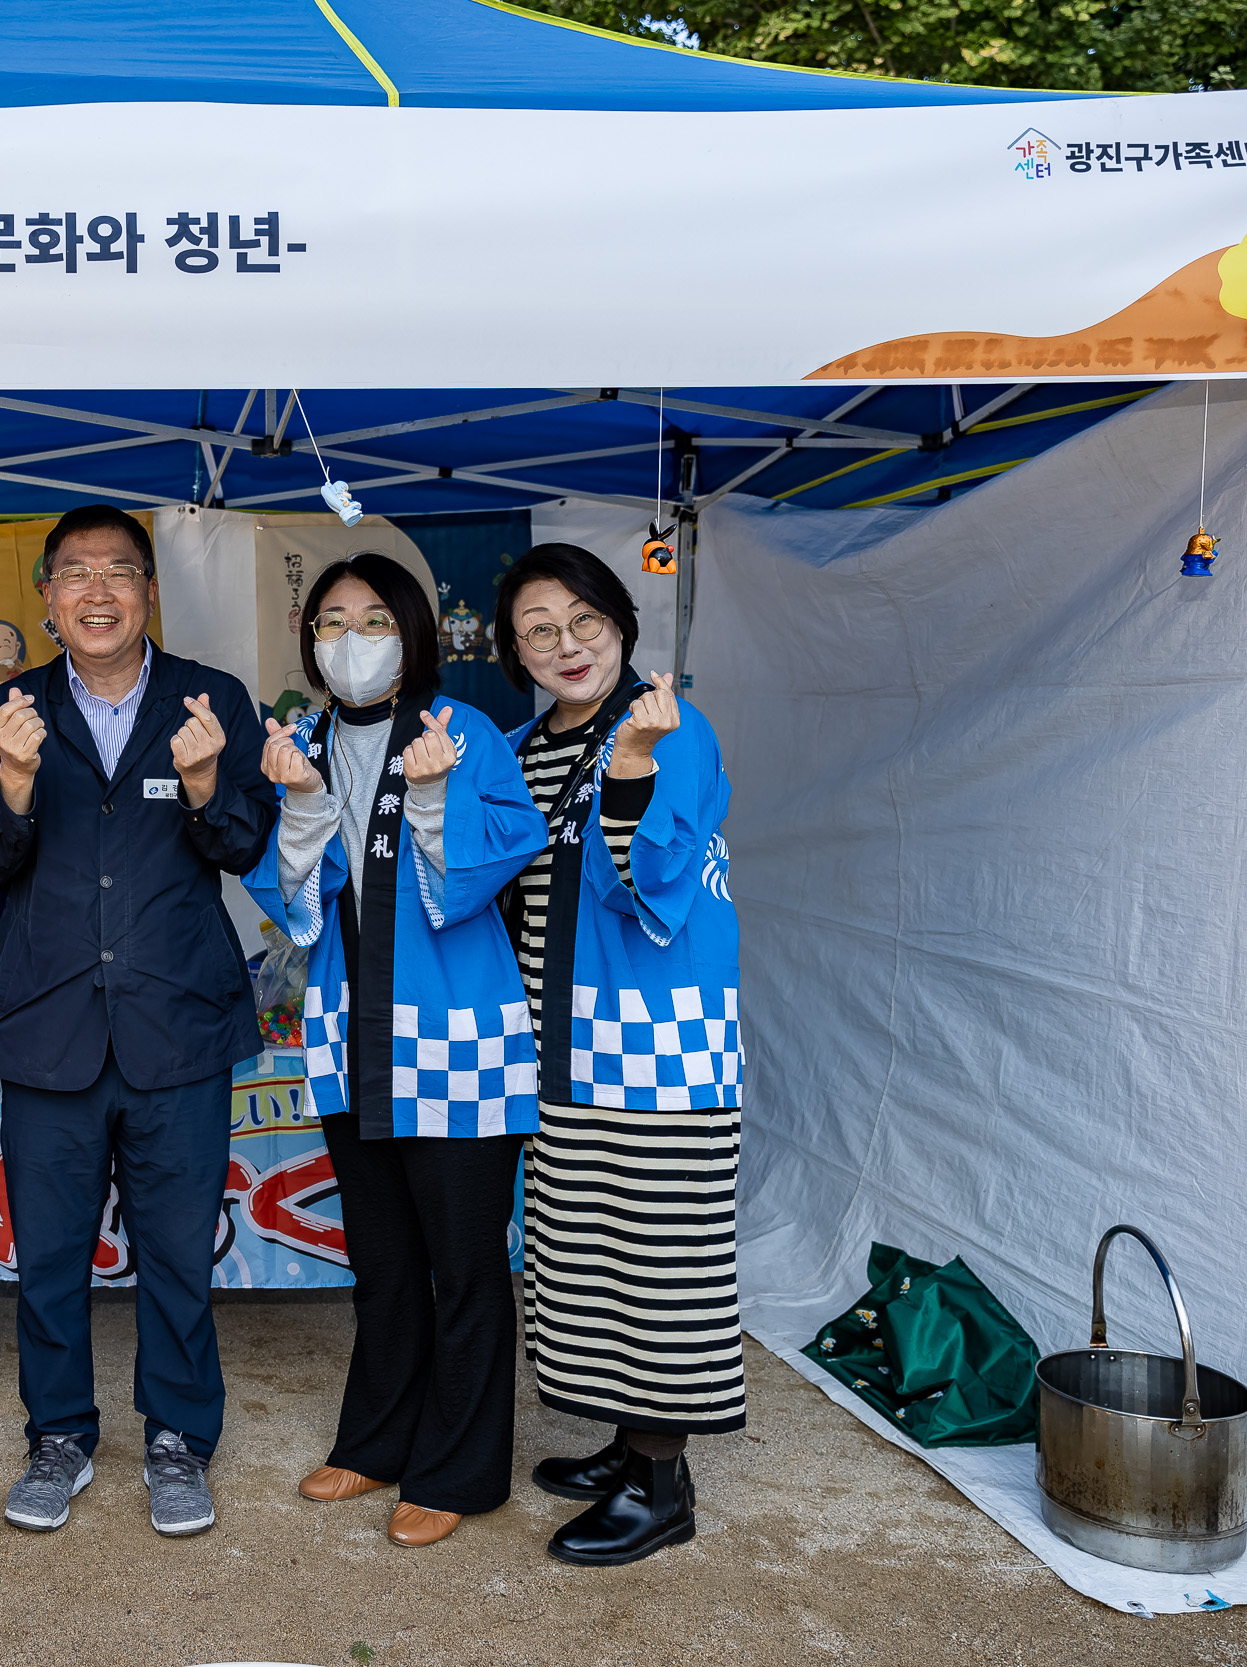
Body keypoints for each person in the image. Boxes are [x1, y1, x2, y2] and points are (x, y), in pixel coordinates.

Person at [0, 504, 276, 1537]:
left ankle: (178, 1438)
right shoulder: (9, 703)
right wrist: (11, 781)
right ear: (48, 599)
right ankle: (57, 1434)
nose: (98, 592)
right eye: (76, 575)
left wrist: (199, 784)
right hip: (50, 1022)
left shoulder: (211, 698)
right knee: (47, 1253)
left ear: (149, 591)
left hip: (175, 1023)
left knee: (178, 1249)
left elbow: (239, 848)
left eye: (120, 572)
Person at [242, 554, 544, 1549]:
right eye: (331, 620)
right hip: (347, 1040)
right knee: (379, 1260)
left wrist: (429, 797)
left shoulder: (468, 737)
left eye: (373, 617)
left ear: (413, 632)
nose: (350, 637)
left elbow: (479, 876)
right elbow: (293, 909)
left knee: (461, 1265)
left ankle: (456, 1467)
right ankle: (374, 1439)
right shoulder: (307, 744)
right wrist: (296, 805)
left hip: (455, 1042)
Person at [491, 543, 745, 1567]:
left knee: (660, 1260)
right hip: (553, 1046)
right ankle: (624, 1442)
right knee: (580, 1250)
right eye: (538, 629)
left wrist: (632, 770)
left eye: (583, 620)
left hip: (654, 1050)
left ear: (621, 624)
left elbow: (657, 884)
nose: (566, 644)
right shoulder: (515, 744)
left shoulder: (669, 727)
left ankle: (661, 1482)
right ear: (513, 651)